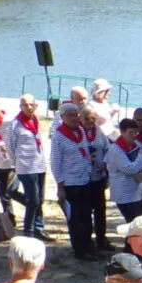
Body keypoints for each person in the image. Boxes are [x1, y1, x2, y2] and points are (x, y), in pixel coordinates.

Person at [51, 101, 104, 261]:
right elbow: (55, 162)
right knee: (75, 218)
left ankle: (89, 246)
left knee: (86, 216)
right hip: (70, 182)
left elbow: (85, 153)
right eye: (70, 115)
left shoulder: (80, 130)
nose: (74, 118)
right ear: (62, 117)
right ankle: (79, 250)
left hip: (85, 179)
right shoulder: (58, 136)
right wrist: (60, 186)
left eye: (76, 115)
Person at [7, 94, 50, 239]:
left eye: (32, 104)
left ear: (36, 105)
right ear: (20, 106)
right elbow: (10, 147)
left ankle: (39, 228)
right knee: (33, 200)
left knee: (40, 199)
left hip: (39, 165)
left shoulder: (36, 120)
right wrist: (17, 163)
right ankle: (29, 230)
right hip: (26, 167)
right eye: (25, 105)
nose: (29, 107)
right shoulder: (15, 124)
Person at [81, 103, 116, 251]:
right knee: (86, 211)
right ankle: (87, 241)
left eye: (93, 118)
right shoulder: (79, 133)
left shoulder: (99, 131)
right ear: (81, 119)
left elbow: (108, 148)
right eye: (87, 118)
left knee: (100, 210)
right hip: (84, 178)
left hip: (99, 176)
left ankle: (101, 239)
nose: (90, 121)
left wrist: (105, 163)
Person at [106, 118, 142, 223]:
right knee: (133, 224)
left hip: (138, 193)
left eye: (136, 132)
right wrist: (140, 156)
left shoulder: (137, 145)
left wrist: (141, 172)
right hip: (124, 194)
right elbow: (130, 169)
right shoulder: (116, 149)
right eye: (130, 132)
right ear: (122, 132)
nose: (134, 135)